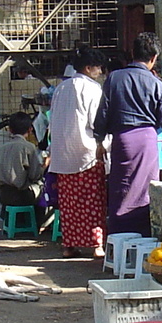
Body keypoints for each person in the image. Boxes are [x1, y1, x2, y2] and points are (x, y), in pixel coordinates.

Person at [93, 32, 162, 237]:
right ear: (154, 57)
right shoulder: (157, 83)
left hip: (122, 141)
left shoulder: (114, 78)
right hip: (147, 141)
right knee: (145, 191)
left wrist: (98, 141)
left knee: (121, 188)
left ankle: (118, 238)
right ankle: (143, 238)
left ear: (132, 53)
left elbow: (102, 114)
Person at [50, 45, 107, 259]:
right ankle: (97, 245)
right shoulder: (92, 89)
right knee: (92, 202)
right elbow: (97, 122)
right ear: (88, 67)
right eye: (98, 68)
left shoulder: (61, 88)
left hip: (63, 155)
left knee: (69, 204)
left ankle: (69, 245)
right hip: (87, 154)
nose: (100, 72)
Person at [0, 111, 46, 225]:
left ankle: (9, 221)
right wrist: (44, 166)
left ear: (10, 129)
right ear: (30, 130)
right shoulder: (29, 147)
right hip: (21, 196)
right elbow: (34, 175)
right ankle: (38, 224)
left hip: (4, 195)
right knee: (43, 189)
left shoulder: (2, 148)